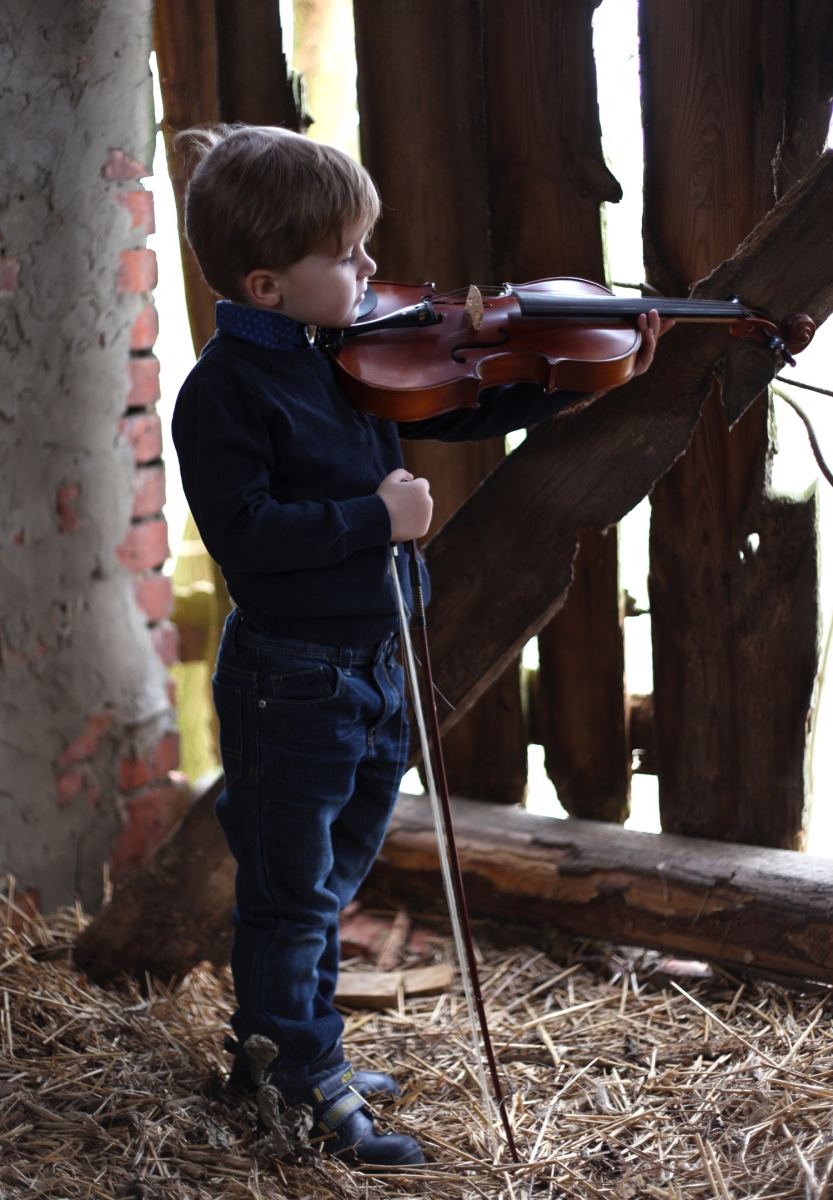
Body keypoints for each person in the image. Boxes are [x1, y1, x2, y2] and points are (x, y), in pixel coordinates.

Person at [172, 124, 668, 1166]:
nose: (370, 268)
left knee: (330, 878)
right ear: (266, 285)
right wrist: (376, 517)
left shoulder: (334, 351)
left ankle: (290, 1055)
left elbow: (457, 401)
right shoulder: (226, 390)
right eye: (347, 254)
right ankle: (293, 1086)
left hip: (373, 665)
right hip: (291, 680)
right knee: (291, 896)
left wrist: (578, 376)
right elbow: (245, 534)